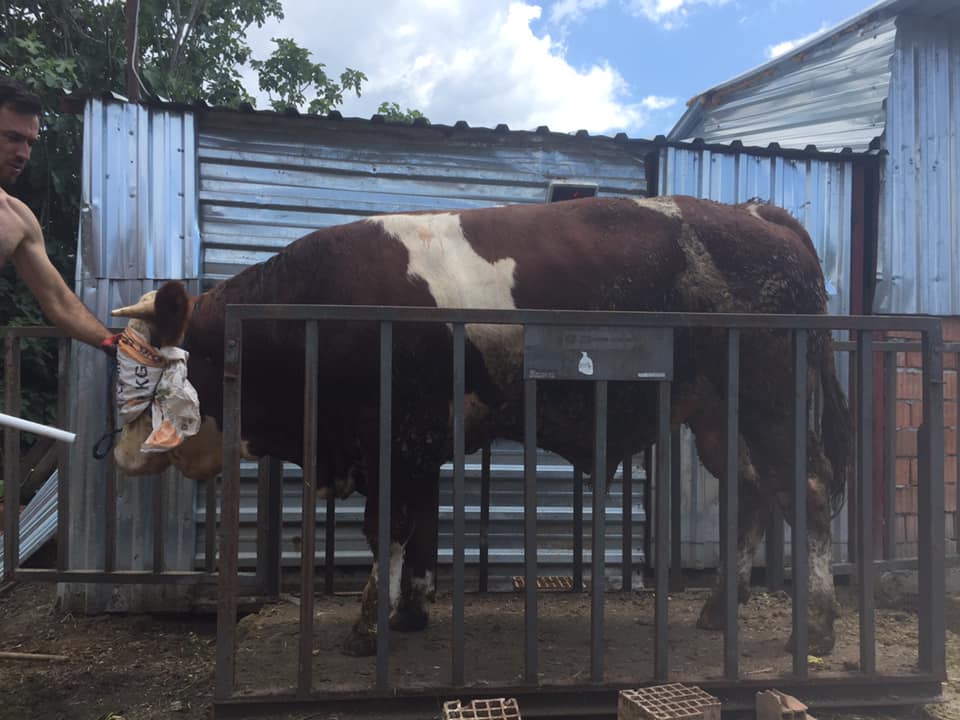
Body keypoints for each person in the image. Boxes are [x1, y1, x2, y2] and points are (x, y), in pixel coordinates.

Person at [0, 77, 115, 352]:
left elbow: (59, 301)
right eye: (13, 138)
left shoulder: (16, 218)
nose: (24, 154)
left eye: (30, 143)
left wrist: (116, 345)